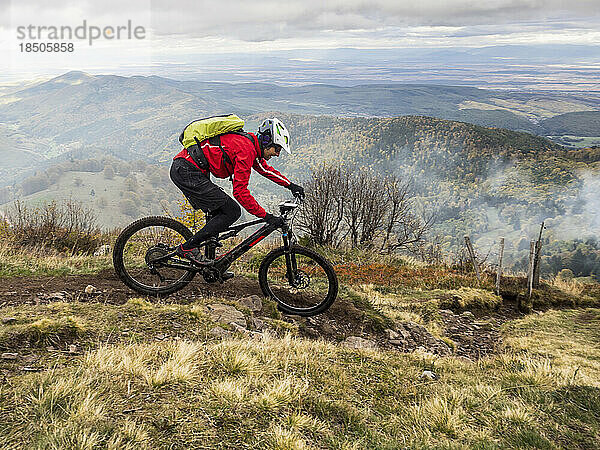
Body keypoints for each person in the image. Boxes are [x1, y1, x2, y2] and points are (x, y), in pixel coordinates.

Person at [170, 117, 304, 265]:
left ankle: (211, 264)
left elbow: (266, 169)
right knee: (232, 211)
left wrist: (291, 185)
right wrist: (266, 216)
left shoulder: (250, 145)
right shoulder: (246, 150)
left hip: (188, 170)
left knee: (220, 211)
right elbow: (240, 192)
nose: (278, 154)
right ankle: (188, 248)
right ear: (267, 142)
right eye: (277, 149)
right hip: (187, 171)